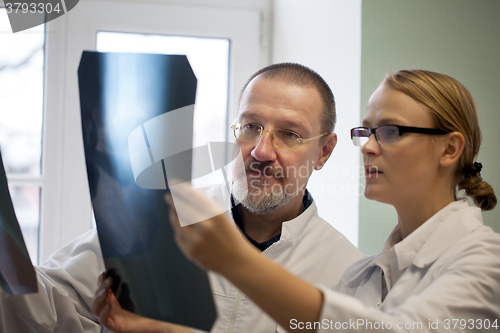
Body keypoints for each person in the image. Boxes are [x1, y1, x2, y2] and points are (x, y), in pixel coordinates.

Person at [93, 69, 500, 333]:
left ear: (449, 150)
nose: (368, 148)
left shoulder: (486, 263)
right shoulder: (362, 277)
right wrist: (150, 328)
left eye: (390, 132)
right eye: (368, 131)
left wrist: (234, 259)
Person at [0, 63, 361, 333]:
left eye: (289, 134)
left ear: (325, 151)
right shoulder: (166, 217)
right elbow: (45, 303)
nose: (261, 151)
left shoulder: (349, 275)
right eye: (251, 126)